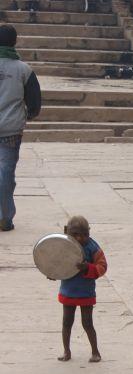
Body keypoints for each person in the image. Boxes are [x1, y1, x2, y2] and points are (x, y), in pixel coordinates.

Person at [0, 24, 41, 232]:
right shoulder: (23, 69)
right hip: (11, 129)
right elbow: (34, 102)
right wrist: (29, 114)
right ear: (14, 42)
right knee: (6, 173)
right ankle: (4, 217)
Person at [57, 216, 107, 363]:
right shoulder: (63, 246)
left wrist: (89, 268)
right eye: (76, 234)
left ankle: (95, 352)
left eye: (85, 234)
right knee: (67, 323)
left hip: (86, 293)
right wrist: (52, 274)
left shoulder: (92, 247)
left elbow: (103, 267)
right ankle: (66, 351)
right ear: (67, 231)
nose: (81, 238)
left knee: (87, 323)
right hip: (68, 292)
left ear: (89, 233)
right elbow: (55, 263)